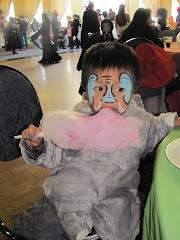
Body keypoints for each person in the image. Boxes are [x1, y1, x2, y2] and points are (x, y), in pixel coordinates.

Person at [20, 41, 180, 240]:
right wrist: (39, 146)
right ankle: (82, 233)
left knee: (120, 230)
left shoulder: (137, 119)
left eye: (120, 89)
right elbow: (56, 154)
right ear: (85, 88)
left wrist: (170, 120)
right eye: (100, 89)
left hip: (119, 198)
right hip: (78, 197)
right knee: (68, 187)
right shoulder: (77, 120)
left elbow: (154, 129)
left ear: (135, 89)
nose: (110, 97)